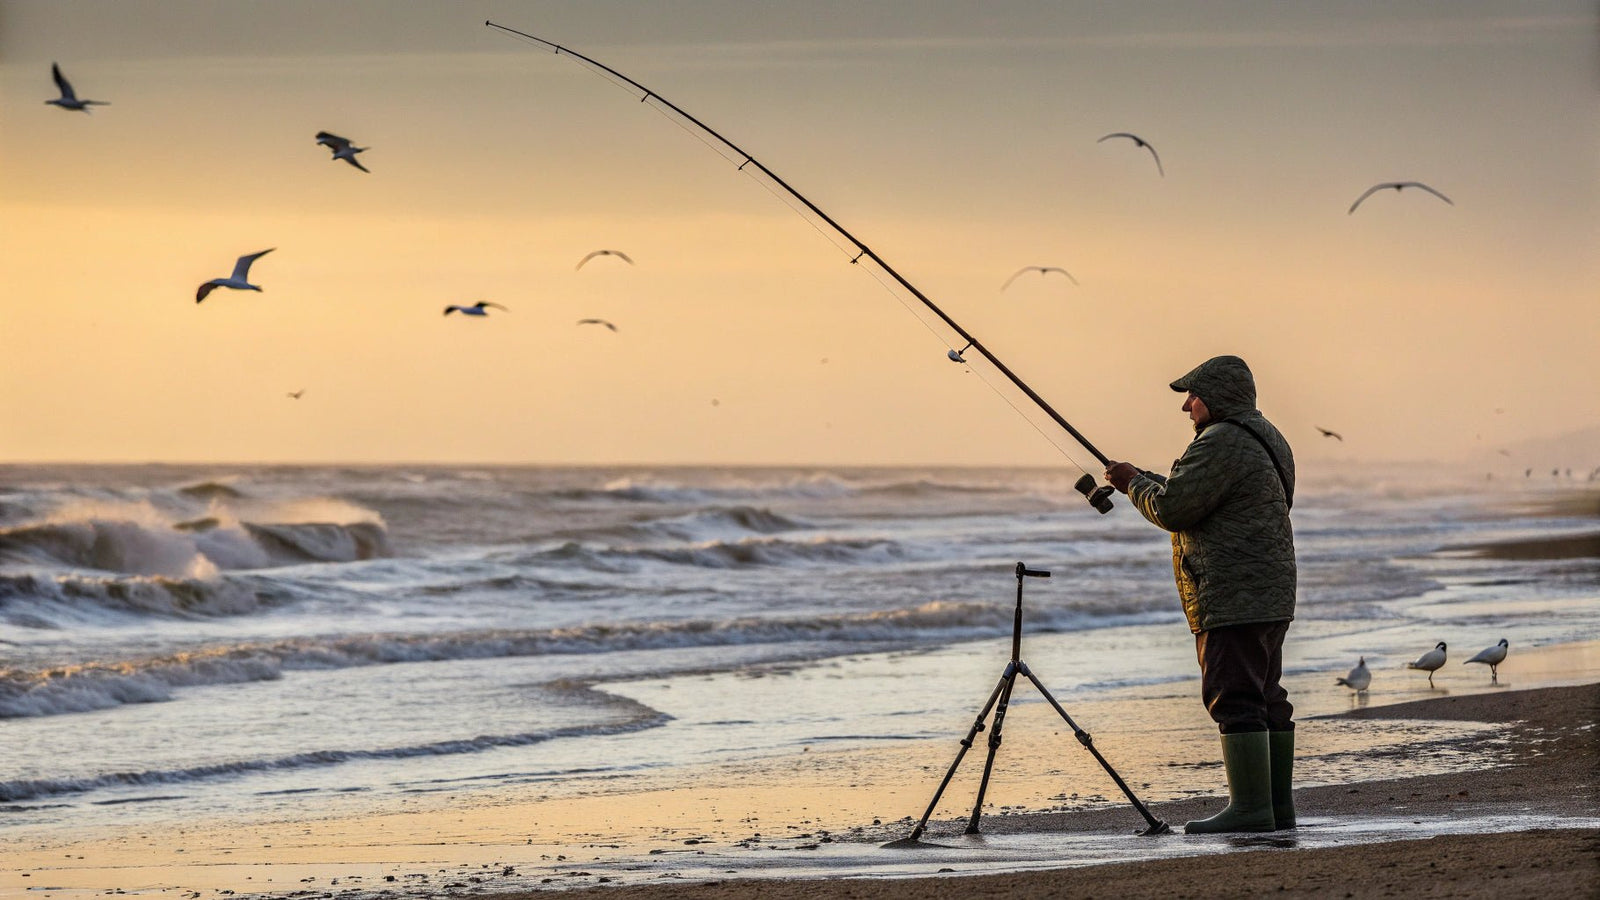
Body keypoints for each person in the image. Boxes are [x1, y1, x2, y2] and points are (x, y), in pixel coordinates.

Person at [1103, 355, 1297, 833]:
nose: (1187, 406)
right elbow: (1205, 494)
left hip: (1231, 594)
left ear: (1216, 397)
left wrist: (1131, 484)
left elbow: (1174, 509)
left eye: (1193, 396)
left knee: (1233, 697)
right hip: (1269, 592)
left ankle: (1252, 811)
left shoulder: (1222, 440)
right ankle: (1275, 809)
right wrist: (1145, 481)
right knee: (1266, 696)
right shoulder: (1267, 436)